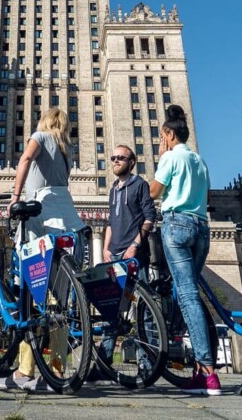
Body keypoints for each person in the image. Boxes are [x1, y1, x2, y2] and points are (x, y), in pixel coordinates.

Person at [0, 107, 84, 392]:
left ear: (44, 122)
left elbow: (25, 159)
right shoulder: (66, 150)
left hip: (39, 214)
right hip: (66, 217)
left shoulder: (40, 136)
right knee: (59, 300)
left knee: (30, 292)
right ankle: (57, 370)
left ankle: (25, 370)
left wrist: (15, 196)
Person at [151, 104, 220, 396]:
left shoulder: (171, 157)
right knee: (190, 293)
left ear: (169, 134)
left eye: (162, 136)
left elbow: (154, 191)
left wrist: (161, 159)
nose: (161, 140)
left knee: (188, 295)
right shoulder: (199, 160)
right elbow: (208, 196)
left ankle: (208, 372)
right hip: (202, 227)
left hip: (177, 225)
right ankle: (199, 370)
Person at [95, 144, 156, 377]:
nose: (116, 161)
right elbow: (111, 221)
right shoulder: (113, 189)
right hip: (115, 255)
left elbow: (149, 217)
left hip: (135, 256)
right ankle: (104, 363)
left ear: (132, 162)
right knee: (111, 310)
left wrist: (135, 245)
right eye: (113, 158)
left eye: (121, 158)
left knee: (143, 309)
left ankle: (146, 364)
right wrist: (106, 249)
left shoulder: (139, 185)